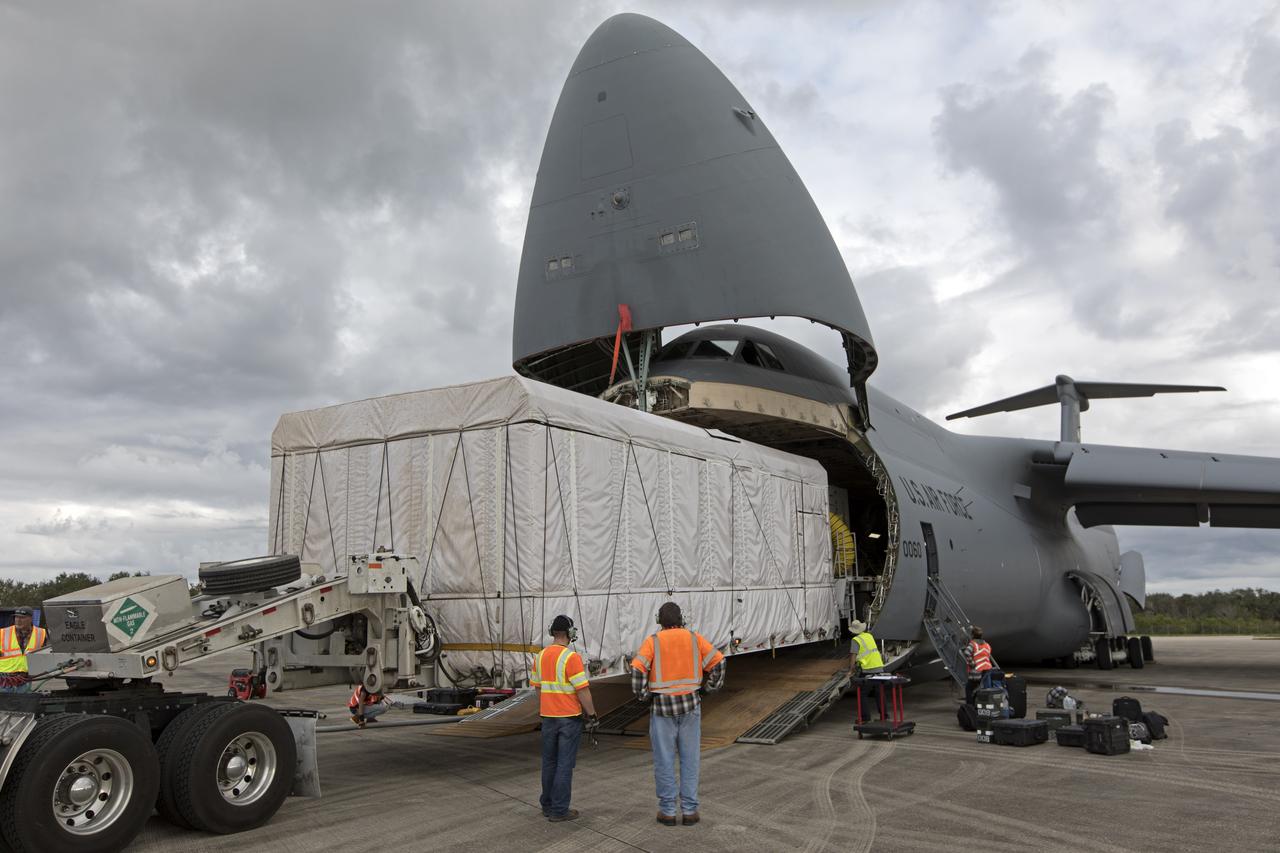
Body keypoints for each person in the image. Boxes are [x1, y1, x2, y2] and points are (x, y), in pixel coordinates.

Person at [631, 602, 725, 827]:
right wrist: (707, 688)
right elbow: (719, 661)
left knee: (664, 760)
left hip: (662, 709)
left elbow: (637, 670)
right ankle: (690, 811)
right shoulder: (694, 638)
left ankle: (668, 811)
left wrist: (644, 695)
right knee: (690, 759)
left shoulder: (653, 642)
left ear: (659, 621)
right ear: (681, 619)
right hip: (690, 706)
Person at [531, 614, 597, 823]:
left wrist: (547, 709)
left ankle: (547, 805)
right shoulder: (571, 658)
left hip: (548, 718)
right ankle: (560, 810)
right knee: (564, 764)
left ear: (552, 633)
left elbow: (539, 689)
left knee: (549, 762)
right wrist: (592, 714)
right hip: (569, 718)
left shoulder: (539, 657)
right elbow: (582, 691)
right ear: (571, 634)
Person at [0, 607, 47, 694]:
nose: (18, 620)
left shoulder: (41, 634)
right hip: (4, 679)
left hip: (24, 679)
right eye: (16, 617)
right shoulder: (3, 633)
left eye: (22, 617)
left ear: (30, 619)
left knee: (22, 704)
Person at [847, 619, 885, 723]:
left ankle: (865, 718)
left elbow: (853, 656)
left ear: (853, 631)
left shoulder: (855, 640)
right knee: (878, 692)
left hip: (868, 669)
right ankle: (884, 715)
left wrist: (851, 670)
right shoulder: (869, 636)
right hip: (879, 667)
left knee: (862, 693)